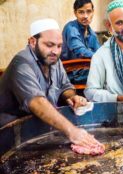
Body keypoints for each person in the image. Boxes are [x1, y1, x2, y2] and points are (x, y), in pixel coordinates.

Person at [0, 18, 102, 149]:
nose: (55, 51)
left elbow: (65, 86)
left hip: (37, 129)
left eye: (59, 46)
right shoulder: (21, 64)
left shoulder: (53, 60)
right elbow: (37, 103)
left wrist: (71, 96)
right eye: (49, 45)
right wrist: (72, 131)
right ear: (32, 42)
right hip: (8, 135)